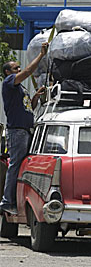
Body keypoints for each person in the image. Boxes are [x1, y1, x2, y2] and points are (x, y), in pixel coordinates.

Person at [0, 42, 48, 215]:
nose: (18, 70)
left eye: (18, 67)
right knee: (15, 165)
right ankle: (7, 201)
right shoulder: (9, 82)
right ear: (7, 72)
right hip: (17, 131)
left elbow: (29, 108)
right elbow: (28, 72)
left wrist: (35, 96)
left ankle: (15, 199)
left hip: (26, 130)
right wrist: (41, 55)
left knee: (23, 165)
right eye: (15, 68)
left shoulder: (20, 89)